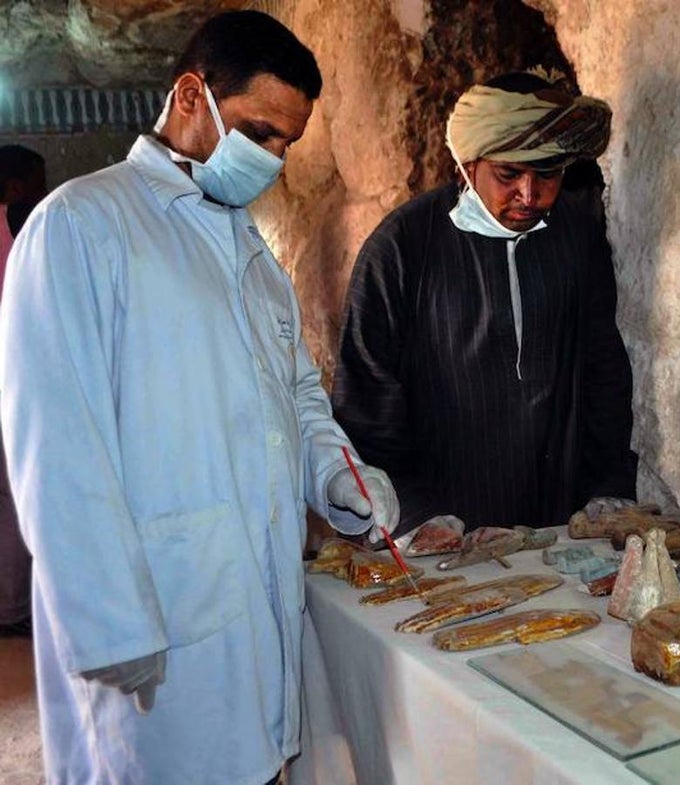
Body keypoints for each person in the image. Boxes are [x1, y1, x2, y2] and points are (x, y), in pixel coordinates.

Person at [0, 11, 399, 784]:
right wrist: (112, 626)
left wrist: (341, 478)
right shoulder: (83, 226)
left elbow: (297, 402)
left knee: (260, 759)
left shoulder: (251, 255)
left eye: (287, 143)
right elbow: (57, 448)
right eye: (259, 132)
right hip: (150, 634)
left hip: (252, 614)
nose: (274, 159)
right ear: (191, 95)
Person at [332, 69, 638, 536]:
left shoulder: (576, 238)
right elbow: (366, 400)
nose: (529, 195)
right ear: (466, 163)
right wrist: (413, 514)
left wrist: (607, 486)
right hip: (438, 529)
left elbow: (603, 370)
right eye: (508, 174)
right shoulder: (402, 249)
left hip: (556, 523)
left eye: (548, 174)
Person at [0, 144, 45, 638]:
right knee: (16, 497)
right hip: (11, 374)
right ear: (15, 188)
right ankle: (12, 608)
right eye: (36, 181)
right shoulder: (21, 225)